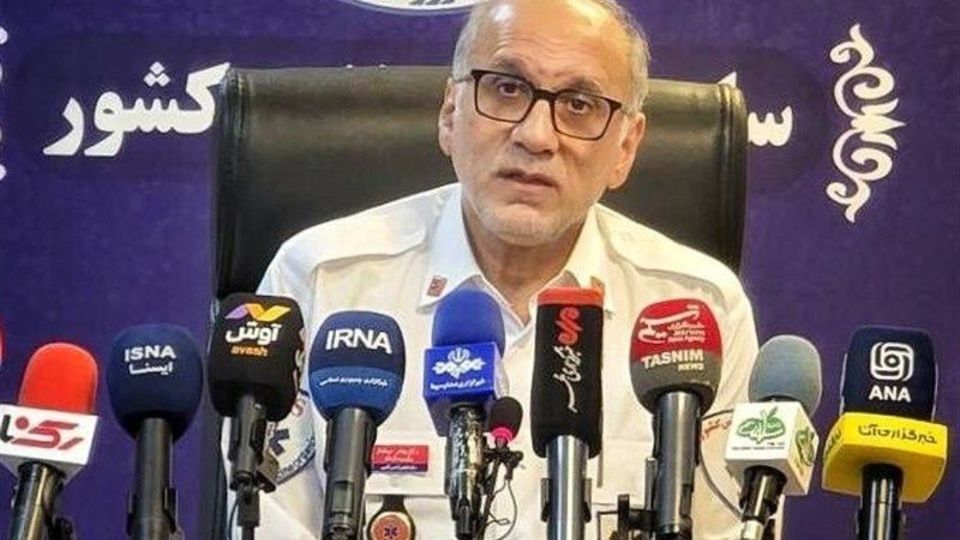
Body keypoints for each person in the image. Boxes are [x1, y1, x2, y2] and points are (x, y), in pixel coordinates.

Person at [233, 0, 760, 538]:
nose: (536, 136)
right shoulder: (322, 280)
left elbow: (733, 528)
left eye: (579, 104)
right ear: (449, 113)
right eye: (507, 89)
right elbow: (264, 523)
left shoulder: (700, 312)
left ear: (626, 146)